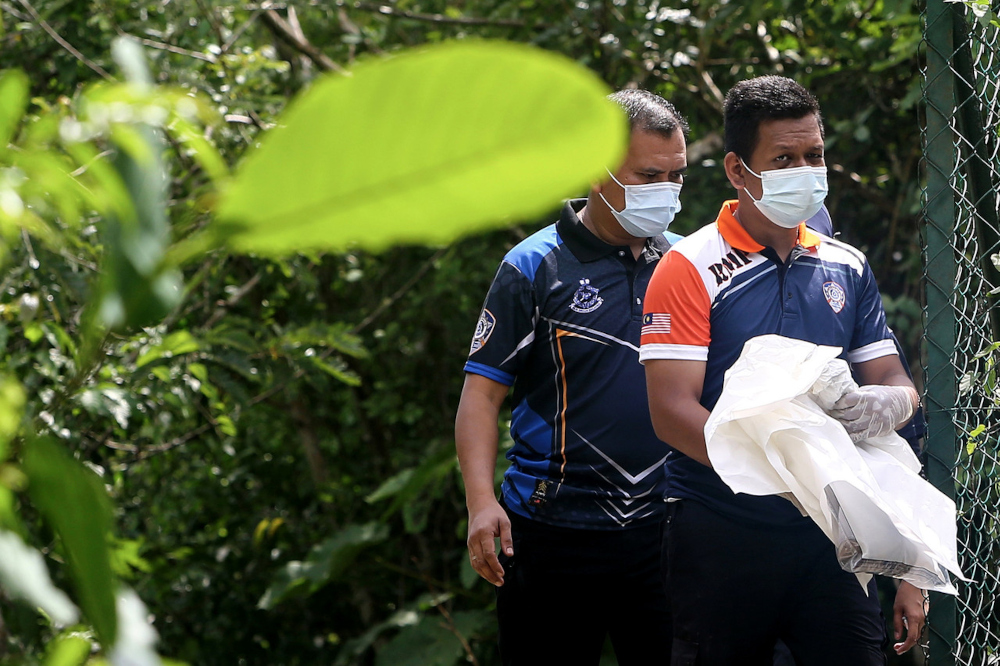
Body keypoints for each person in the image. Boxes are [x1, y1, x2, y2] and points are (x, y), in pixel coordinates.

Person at [639, 75, 927, 665]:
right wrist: (786, 469)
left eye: (814, 155)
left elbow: (893, 379)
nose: (805, 170)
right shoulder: (688, 266)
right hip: (722, 529)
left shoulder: (847, 266)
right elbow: (671, 412)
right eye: (784, 159)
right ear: (737, 170)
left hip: (834, 532)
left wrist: (889, 405)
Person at [454, 88, 687, 666]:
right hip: (549, 529)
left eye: (676, 176)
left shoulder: (688, 263)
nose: (666, 191)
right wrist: (480, 503)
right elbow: (481, 394)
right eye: (648, 175)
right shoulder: (534, 266)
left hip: (665, 528)